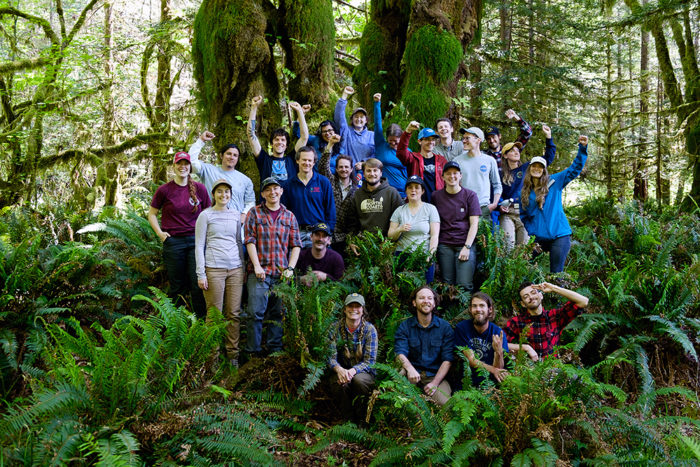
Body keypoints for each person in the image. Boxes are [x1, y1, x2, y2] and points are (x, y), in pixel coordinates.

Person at [244, 177, 302, 356]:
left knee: (278, 314)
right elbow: (249, 240)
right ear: (262, 194)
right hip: (259, 273)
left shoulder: (289, 216)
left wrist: (290, 268)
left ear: (281, 191)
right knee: (255, 313)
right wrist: (257, 266)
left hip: (281, 274)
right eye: (268, 189)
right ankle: (253, 351)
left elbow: (296, 245)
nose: (272, 192)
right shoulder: (254, 213)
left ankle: (274, 350)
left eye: (276, 188)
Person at [148, 151, 210, 317]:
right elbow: (152, 214)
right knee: (176, 285)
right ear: (174, 166)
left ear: (190, 167)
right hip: (174, 243)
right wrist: (160, 234)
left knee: (197, 284)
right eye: (179, 164)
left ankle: (201, 325)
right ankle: (176, 325)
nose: (183, 167)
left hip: (196, 243)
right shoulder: (164, 190)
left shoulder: (200, 189)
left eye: (186, 164)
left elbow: (208, 215)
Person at [194, 179, 245, 367]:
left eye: (227, 192)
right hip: (213, 269)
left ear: (230, 195)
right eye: (220, 192)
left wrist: (243, 267)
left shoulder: (235, 216)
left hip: (235, 270)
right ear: (213, 194)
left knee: (234, 313)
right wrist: (201, 273)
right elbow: (199, 245)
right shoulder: (205, 215)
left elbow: (239, 243)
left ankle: (233, 356)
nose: (224, 195)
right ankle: (212, 358)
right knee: (214, 315)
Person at [520, 135, 588, 273]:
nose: (537, 169)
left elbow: (574, 169)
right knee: (524, 266)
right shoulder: (524, 192)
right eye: (534, 166)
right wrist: (532, 231)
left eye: (540, 167)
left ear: (544, 169)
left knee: (556, 273)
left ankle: (556, 294)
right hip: (538, 237)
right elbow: (524, 216)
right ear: (529, 168)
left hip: (559, 235)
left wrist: (582, 148)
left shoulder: (554, 182)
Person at [395, 285, 455, 406]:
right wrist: (410, 369)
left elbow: (448, 360)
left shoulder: (444, 328)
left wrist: (435, 383)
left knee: (446, 405)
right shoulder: (405, 326)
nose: (426, 301)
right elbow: (400, 353)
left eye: (429, 298)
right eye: (421, 298)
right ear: (414, 303)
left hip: (435, 376)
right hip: (411, 375)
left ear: (434, 303)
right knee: (403, 404)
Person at [499, 125, 556, 250]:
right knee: (507, 246)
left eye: (517, 150)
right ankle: (506, 269)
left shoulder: (526, 168)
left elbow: (548, 158)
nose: (516, 152)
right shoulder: (500, 173)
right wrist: (500, 204)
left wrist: (548, 138)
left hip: (524, 213)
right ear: (505, 155)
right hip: (507, 213)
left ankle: (519, 270)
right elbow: (496, 192)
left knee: (523, 249)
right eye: (512, 151)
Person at [505, 281, 589, 359]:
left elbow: (583, 301)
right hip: (529, 371)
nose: (531, 297)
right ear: (523, 304)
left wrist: (553, 288)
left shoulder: (555, 316)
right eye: (526, 296)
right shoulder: (517, 322)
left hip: (553, 371)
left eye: (533, 292)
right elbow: (497, 342)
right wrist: (525, 348)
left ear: (541, 295)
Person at [328, 293, 378, 424]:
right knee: (340, 383)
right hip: (342, 370)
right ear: (344, 309)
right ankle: (347, 420)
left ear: (363, 310)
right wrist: (339, 370)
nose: (354, 309)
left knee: (358, 381)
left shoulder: (369, 330)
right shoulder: (334, 328)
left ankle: (363, 418)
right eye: (350, 306)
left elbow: (370, 362)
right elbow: (330, 356)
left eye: (357, 306)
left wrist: (352, 371)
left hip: (363, 374)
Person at [431, 161, 481, 291]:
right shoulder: (436, 196)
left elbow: (474, 224)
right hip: (445, 244)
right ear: (442, 177)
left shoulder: (470, 195)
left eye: (455, 173)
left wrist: (467, 247)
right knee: (447, 285)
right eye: (448, 173)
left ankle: (465, 311)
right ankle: (449, 311)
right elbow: (434, 222)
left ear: (460, 176)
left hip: (464, 244)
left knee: (464, 285)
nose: (452, 176)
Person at [338, 158, 404, 255]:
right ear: (363, 174)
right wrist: (351, 241)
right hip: (363, 247)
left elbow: (401, 220)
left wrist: (390, 242)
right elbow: (352, 223)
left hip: (386, 247)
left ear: (381, 173)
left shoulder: (392, 193)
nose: (372, 174)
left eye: (375, 170)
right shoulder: (357, 195)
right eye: (368, 171)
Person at [187, 131, 255, 222]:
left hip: (235, 224)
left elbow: (250, 202)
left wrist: (244, 215)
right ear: (221, 156)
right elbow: (191, 162)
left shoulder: (245, 180)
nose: (231, 157)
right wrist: (201, 140)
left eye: (235, 155)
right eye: (228, 154)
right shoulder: (208, 171)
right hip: (212, 222)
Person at [281, 146, 336, 247]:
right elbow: (283, 213)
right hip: (296, 233)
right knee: (295, 262)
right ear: (297, 161)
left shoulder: (323, 182)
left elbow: (330, 210)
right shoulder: (287, 185)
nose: (307, 163)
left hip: (319, 232)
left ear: (314, 162)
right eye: (304, 160)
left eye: (310, 160)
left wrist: (328, 233)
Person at [388, 176, 440, 283]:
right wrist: (399, 229)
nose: (413, 190)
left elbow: (435, 235)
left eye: (417, 187)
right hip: (402, 255)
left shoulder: (430, 209)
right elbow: (390, 236)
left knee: (424, 288)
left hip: (424, 255)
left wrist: (430, 254)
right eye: (410, 187)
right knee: (404, 288)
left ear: (423, 191)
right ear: (406, 190)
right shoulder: (399, 210)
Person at [248, 96, 309, 182]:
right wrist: (254, 108)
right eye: (276, 139)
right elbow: (251, 134)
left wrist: (300, 112)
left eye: (283, 140)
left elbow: (304, 137)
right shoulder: (264, 159)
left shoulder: (292, 159)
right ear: (271, 143)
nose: (279, 142)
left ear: (287, 145)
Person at [455, 292, 509, 387]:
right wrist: (494, 370)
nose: (478, 309)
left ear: (490, 309)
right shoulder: (462, 328)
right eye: (474, 306)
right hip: (466, 383)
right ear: (470, 309)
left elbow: (499, 369)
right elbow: (471, 360)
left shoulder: (498, 332)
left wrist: (499, 352)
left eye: (482, 306)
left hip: (490, 385)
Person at [319, 140, 358, 254]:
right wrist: (330, 144)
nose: (343, 169)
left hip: (345, 237)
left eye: (346, 167)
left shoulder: (357, 190)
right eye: (340, 167)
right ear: (336, 169)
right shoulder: (330, 182)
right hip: (327, 234)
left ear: (351, 169)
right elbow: (323, 166)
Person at [454, 127, 502, 217]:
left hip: (484, 208)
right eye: (463, 138)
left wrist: (494, 204)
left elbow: (497, 185)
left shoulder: (489, 160)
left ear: (478, 140)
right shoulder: (457, 161)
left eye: (467, 138)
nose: (464, 141)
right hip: (463, 208)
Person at [396, 121, 447, 201]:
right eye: (427, 139)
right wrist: (408, 131)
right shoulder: (412, 158)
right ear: (419, 141)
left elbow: (447, 182)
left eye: (433, 139)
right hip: (417, 202)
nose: (430, 142)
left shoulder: (441, 160)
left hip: (437, 203)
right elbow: (401, 152)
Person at [373, 93, 407, 197]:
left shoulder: (406, 151)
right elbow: (377, 125)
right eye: (390, 140)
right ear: (386, 138)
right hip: (383, 192)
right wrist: (377, 103)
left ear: (401, 138)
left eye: (396, 141)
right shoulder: (381, 145)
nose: (393, 143)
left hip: (403, 193)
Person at [334, 86, 374, 167]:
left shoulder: (372, 135)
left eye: (361, 117)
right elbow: (339, 116)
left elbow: (377, 154)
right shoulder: (346, 131)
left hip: (367, 173)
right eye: (356, 116)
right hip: (347, 172)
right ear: (352, 119)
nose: (359, 119)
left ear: (366, 120)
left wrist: (364, 163)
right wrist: (344, 95)